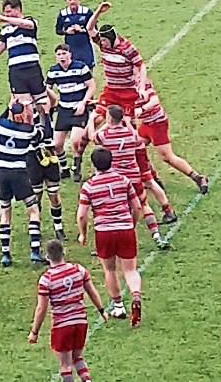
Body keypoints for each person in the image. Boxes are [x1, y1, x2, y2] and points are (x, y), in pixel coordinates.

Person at [28, 240, 106, 382]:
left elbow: (41, 308)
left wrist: (34, 332)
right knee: (78, 356)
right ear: (64, 252)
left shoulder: (46, 279)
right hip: (80, 320)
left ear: (47, 257)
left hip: (62, 324)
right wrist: (101, 310)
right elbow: (91, 291)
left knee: (65, 364)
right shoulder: (78, 270)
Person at [77, 147, 144, 327]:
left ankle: (118, 305)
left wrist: (83, 234)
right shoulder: (123, 180)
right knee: (130, 269)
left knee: (110, 270)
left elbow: (82, 214)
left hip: (104, 231)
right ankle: (136, 294)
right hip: (125, 228)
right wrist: (132, 223)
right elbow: (137, 206)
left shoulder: (89, 186)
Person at [90, 105, 169, 249]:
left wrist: (91, 121)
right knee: (143, 205)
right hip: (133, 175)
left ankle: (107, 243)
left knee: (111, 209)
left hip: (117, 179)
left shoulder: (105, 135)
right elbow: (138, 141)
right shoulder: (130, 135)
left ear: (109, 118)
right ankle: (157, 235)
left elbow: (92, 137)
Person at [136, 79, 209, 204]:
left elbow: (154, 100)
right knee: (135, 148)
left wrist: (141, 109)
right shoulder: (123, 84)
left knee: (167, 157)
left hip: (156, 123)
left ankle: (198, 177)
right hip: (147, 123)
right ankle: (152, 178)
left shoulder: (140, 81)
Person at [0, 102, 44, 265]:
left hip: (2, 173)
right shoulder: (28, 131)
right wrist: (34, 115)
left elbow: (2, 117)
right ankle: (35, 251)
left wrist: (11, 104)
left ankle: (5, 254)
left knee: (5, 211)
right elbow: (40, 135)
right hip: (19, 173)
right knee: (33, 209)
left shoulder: (0, 126)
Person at [86, 1, 148, 116]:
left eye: (105, 40)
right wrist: (99, 11)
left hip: (127, 92)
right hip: (111, 91)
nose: (102, 43)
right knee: (96, 118)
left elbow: (141, 65)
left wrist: (142, 87)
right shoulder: (102, 44)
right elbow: (89, 28)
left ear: (112, 38)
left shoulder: (127, 48)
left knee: (128, 124)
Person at [46, 43, 97, 181]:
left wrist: (83, 103)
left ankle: (76, 166)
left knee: (75, 141)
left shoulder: (80, 67)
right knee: (56, 144)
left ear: (70, 55)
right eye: (59, 54)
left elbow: (91, 86)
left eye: (64, 54)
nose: (62, 57)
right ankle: (64, 168)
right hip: (64, 109)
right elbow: (47, 90)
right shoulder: (53, 71)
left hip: (79, 108)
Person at [26, 110, 67, 241]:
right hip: (33, 156)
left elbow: (53, 100)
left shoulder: (45, 107)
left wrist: (45, 93)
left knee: (53, 194)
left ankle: (58, 227)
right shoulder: (23, 110)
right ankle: (35, 226)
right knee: (36, 196)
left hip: (49, 152)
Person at [55, 0, 95, 68]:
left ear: (79, 0)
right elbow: (58, 30)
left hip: (85, 46)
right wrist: (66, 31)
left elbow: (94, 29)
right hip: (70, 48)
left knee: (88, 70)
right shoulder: (63, 14)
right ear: (66, 1)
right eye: (70, 0)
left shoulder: (87, 12)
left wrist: (82, 30)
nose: (72, 2)